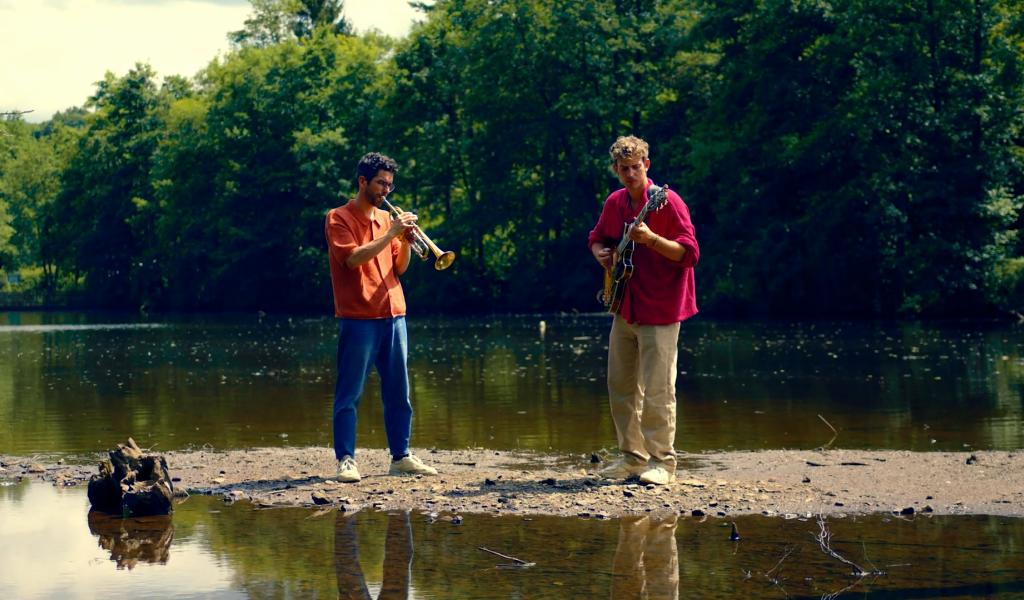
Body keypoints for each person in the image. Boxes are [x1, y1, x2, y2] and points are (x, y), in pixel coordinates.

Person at [588, 135, 699, 486]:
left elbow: (690, 254)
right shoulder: (615, 202)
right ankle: (632, 458)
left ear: (646, 165)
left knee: (658, 389)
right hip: (625, 305)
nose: (630, 174)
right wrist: (601, 254)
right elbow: (597, 237)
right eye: (624, 169)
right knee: (619, 386)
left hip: (663, 308)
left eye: (636, 167)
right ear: (616, 170)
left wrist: (652, 240)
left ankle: (662, 463)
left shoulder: (668, 202)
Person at [325, 151, 437, 482]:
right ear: (363, 181)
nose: (386, 191)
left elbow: (399, 268)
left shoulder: (387, 219)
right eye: (380, 184)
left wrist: (405, 241)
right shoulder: (338, 217)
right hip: (359, 316)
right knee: (350, 392)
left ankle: (400, 456)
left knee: (398, 391)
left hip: (394, 313)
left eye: (390, 184)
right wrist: (390, 234)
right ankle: (346, 459)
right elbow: (353, 259)